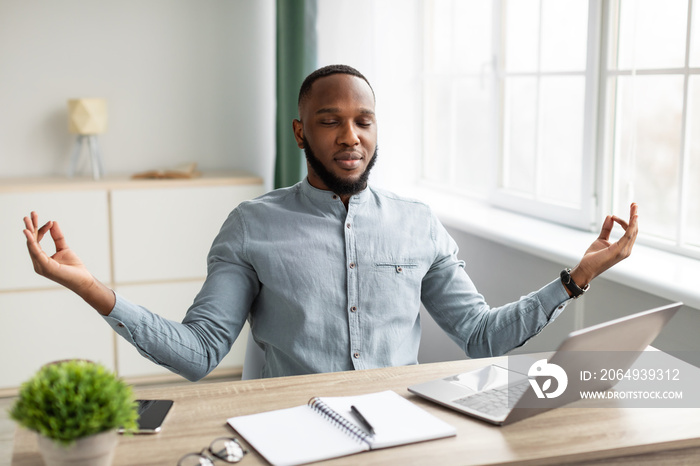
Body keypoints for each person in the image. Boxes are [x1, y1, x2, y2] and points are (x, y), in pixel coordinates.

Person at [23, 64, 638, 381]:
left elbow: (480, 336)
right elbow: (200, 354)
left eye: (364, 120)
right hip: (287, 429)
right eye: (329, 120)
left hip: (404, 426)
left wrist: (576, 277)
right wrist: (88, 287)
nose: (350, 136)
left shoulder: (419, 225)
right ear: (300, 132)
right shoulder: (251, 226)